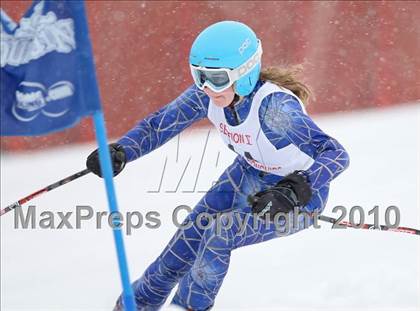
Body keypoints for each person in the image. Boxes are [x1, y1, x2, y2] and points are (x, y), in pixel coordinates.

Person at [86, 21, 350, 311]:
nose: (208, 87)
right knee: (184, 245)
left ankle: (187, 307)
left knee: (222, 231)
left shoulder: (275, 110)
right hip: (247, 175)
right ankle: (135, 305)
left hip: (299, 197)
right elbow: (157, 126)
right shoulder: (209, 95)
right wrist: (122, 151)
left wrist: (294, 189)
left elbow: (335, 153)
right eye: (199, 76)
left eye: (217, 78)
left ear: (244, 74)